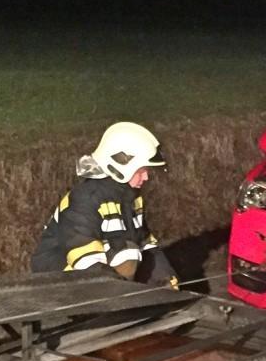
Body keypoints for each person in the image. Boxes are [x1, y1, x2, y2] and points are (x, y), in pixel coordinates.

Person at [31, 121, 178, 285]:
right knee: (124, 254)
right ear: (121, 165)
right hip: (55, 279)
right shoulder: (86, 197)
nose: (146, 178)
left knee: (129, 253)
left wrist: (165, 281)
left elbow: (146, 244)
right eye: (141, 171)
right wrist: (116, 296)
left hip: (95, 274)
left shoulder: (131, 198)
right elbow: (84, 258)